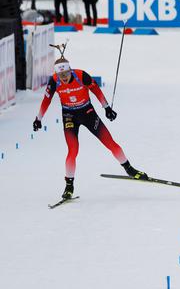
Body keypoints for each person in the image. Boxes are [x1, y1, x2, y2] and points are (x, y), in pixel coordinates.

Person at [32, 49, 148, 199]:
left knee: (110, 143)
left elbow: (96, 90)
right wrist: (38, 119)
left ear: (70, 70)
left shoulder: (81, 75)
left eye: (66, 74)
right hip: (69, 117)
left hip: (87, 113)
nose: (64, 78)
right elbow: (46, 100)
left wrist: (106, 108)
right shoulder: (54, 81)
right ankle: (69, 186)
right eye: (61, 76)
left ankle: (130, 169)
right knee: (73, 150)